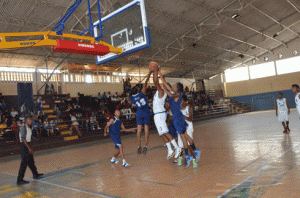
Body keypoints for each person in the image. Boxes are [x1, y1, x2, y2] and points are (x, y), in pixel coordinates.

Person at [159, 69, 199, 168]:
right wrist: (160, 75)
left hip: (178, 118)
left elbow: (170, 94)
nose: (172, 86)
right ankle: (193, 152)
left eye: (174, 85)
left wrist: (163, 89)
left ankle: (190, 155)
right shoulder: (175, 92)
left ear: (177, 88)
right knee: (185, 137)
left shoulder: (178, 94)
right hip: (178, 119)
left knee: (184, 139)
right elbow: (167, 85)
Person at [152, 64, 181, 159]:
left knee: (166, 133)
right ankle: (170, 149)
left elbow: (155, 81)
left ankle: (177, 148)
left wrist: (154, 71)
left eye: (163, 85)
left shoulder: (161, 91)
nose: (161, 84)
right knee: (162, 134)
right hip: (157, 115)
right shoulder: (161, 91)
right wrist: (160, 73)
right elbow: (162, 82)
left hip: (160, 115)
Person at [129, 70, 152, 154]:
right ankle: (145, 146)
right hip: (146, 113)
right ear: (137, 90)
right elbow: (145, 83)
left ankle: (139, 146)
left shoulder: (132, 98)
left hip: (139, 113)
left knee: (139, 131)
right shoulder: (141, 93)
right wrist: (149, 74)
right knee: (146, 130)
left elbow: (130, 99)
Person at [17, 117, 43, 185]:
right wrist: (29, 148)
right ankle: (19, 180)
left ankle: (35, 174)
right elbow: (23, 139)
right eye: (29, 120)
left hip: (27, 145)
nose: (31, 121)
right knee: (24, 164)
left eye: (31, 120)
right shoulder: (23, 127)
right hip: (24, 146)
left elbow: (28, 137)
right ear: (26, 121)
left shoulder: (29, 128)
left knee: (31, 162)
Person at [176, 95, 200, 166]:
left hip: (188, 128)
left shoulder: (188, 108)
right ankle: (180, 158)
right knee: (181, 145)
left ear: (184, 101)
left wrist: (183, 116)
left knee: (189, 145)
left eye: (182, 100)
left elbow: (190, 118)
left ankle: (194, 159)